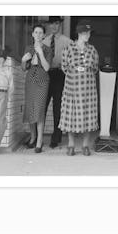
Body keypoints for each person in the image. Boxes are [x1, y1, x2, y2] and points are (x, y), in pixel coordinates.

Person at [58, 20, 99, 156]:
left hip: (88, 89)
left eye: (89, 33)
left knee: (87, 114)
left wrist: (84, 72)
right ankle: (71, 145)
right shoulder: (68, 48)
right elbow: (64, 67)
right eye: (86, 33)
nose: (88, 35)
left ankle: (85, 145)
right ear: (80, 33)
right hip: (72, 87)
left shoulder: (92, 49)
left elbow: (95, 68)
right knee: (71, 114)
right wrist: (76, 73)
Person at [22, 24, 53, 153]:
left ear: (44, 35)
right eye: (36, 32)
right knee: (31, 109)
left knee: (39, 109)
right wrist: (24, 60)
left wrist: (40, 53)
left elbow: (46, 68)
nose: (38, 35)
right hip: (30, 80)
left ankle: (39, 140)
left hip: (42, 80)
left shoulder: (47, 49)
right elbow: (24, 68)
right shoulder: (28, 48)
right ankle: (33, 137)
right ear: (33, 34)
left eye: (41, 33)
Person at [43, 16, 72, 149]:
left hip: (60, 74)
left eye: (56, 23)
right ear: (49, 25)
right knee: (42, 105)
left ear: (60, 24)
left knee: (57, 106)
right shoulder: (44, 41)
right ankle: (38, 136)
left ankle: (56, 137)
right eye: (51, 24)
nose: (54, 26)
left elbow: (74, 57)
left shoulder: (67, 41)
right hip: (46, 74)